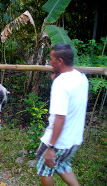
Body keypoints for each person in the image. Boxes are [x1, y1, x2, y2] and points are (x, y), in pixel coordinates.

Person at [37, 43, 88, 186]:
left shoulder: (61, 83)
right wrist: (57, 79)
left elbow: (60, 118)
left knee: (46, 168)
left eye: (51, 59)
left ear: (60, 61)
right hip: (74, 140)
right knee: (62, 165)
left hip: (59, 141)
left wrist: (51, 148)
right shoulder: (81, 77)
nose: (49, 62)